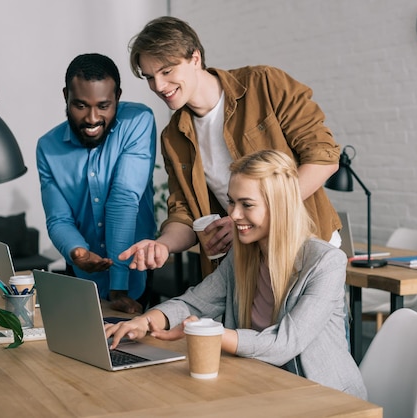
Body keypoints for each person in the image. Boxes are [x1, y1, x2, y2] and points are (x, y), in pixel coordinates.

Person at [106, 150, 366, 399]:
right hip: (263, 386)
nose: (234, 214)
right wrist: (147, 321)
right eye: (231, 201)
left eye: (247, 204)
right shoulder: (244, 255)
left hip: (325, 398)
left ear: (280, 206)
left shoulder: (326, 262)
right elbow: (195, 302)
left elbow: (284, 343)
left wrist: (205, 331)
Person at [119, 16, 342, 278]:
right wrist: (163, 245)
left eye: (166, 71)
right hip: (247, 265)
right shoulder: (173, 137)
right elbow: (184, 213)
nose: (158, 86)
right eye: (149, 77)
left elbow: (323, 157)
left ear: (195, 58)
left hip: (307, 248)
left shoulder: (265, 84)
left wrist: (258, 212)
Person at [37, 53, 156, 314]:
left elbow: (123, 200)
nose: (92, 118)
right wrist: (76, 250)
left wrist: (119, 286)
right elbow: (59, 219)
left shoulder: (138, 121)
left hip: (134, 275)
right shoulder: (48, 147)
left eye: (104, 106)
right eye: (80, 105)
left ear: (118, 97)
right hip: (82, 274)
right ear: (65, 95)